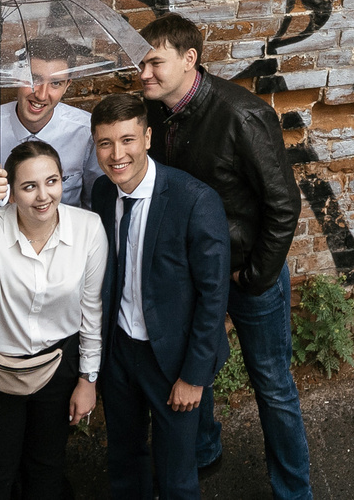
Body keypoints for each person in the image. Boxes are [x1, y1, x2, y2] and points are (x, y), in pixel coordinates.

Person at [137, 13, 311, 497]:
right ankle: (204, 451)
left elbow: (284, 204)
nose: (143, 74)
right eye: (140, 65)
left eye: (154, 63)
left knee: (272, 384)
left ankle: (294, 491)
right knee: (197, 368)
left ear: (189, 59)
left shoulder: (242, 115)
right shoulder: (153, 112)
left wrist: (254, 277)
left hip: (244, 272)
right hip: (192, 274)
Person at [87, 90, 230, 500]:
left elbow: (213, 296)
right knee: (124, 460)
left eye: (127, 140)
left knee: (176, 474)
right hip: (119, 350)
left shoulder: (194, 200)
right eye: (105, 143)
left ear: (147, 138)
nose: (117, 154)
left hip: (172, 358)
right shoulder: (102, 193)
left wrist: (194, 376)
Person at [0, 138, 107, 500]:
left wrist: (88, 379)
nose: (43, 196)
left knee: (46, 470)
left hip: (57, 367)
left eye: (52, 181)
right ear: (11, 192)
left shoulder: (88, 228)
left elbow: (91, 310)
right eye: (29, 186)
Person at [0, 35, 98, 205]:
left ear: (67, 86)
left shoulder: (86, 131)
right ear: (16, 75)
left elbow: (94, 202)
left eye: (56, 83)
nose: (41, 95)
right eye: (34, 79)